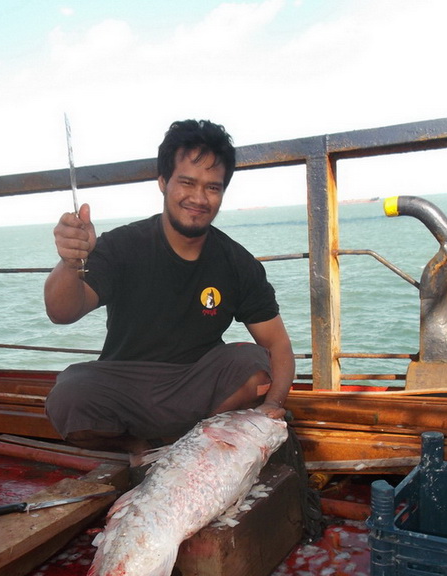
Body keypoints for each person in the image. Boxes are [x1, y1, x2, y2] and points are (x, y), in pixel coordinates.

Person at [44, 119, 295, 455]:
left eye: (212, 187)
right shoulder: (122, 245)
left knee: (254, 364)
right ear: (163, 182)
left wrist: (272, 405)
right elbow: (62, 312)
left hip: (196, 384)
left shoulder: (237, 262)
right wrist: (71, 261)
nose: (198, 198)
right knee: (68, 396)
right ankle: (139, 446)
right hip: (127, 382)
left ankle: (190, 446)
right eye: (187, 182)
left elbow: (278, 345)